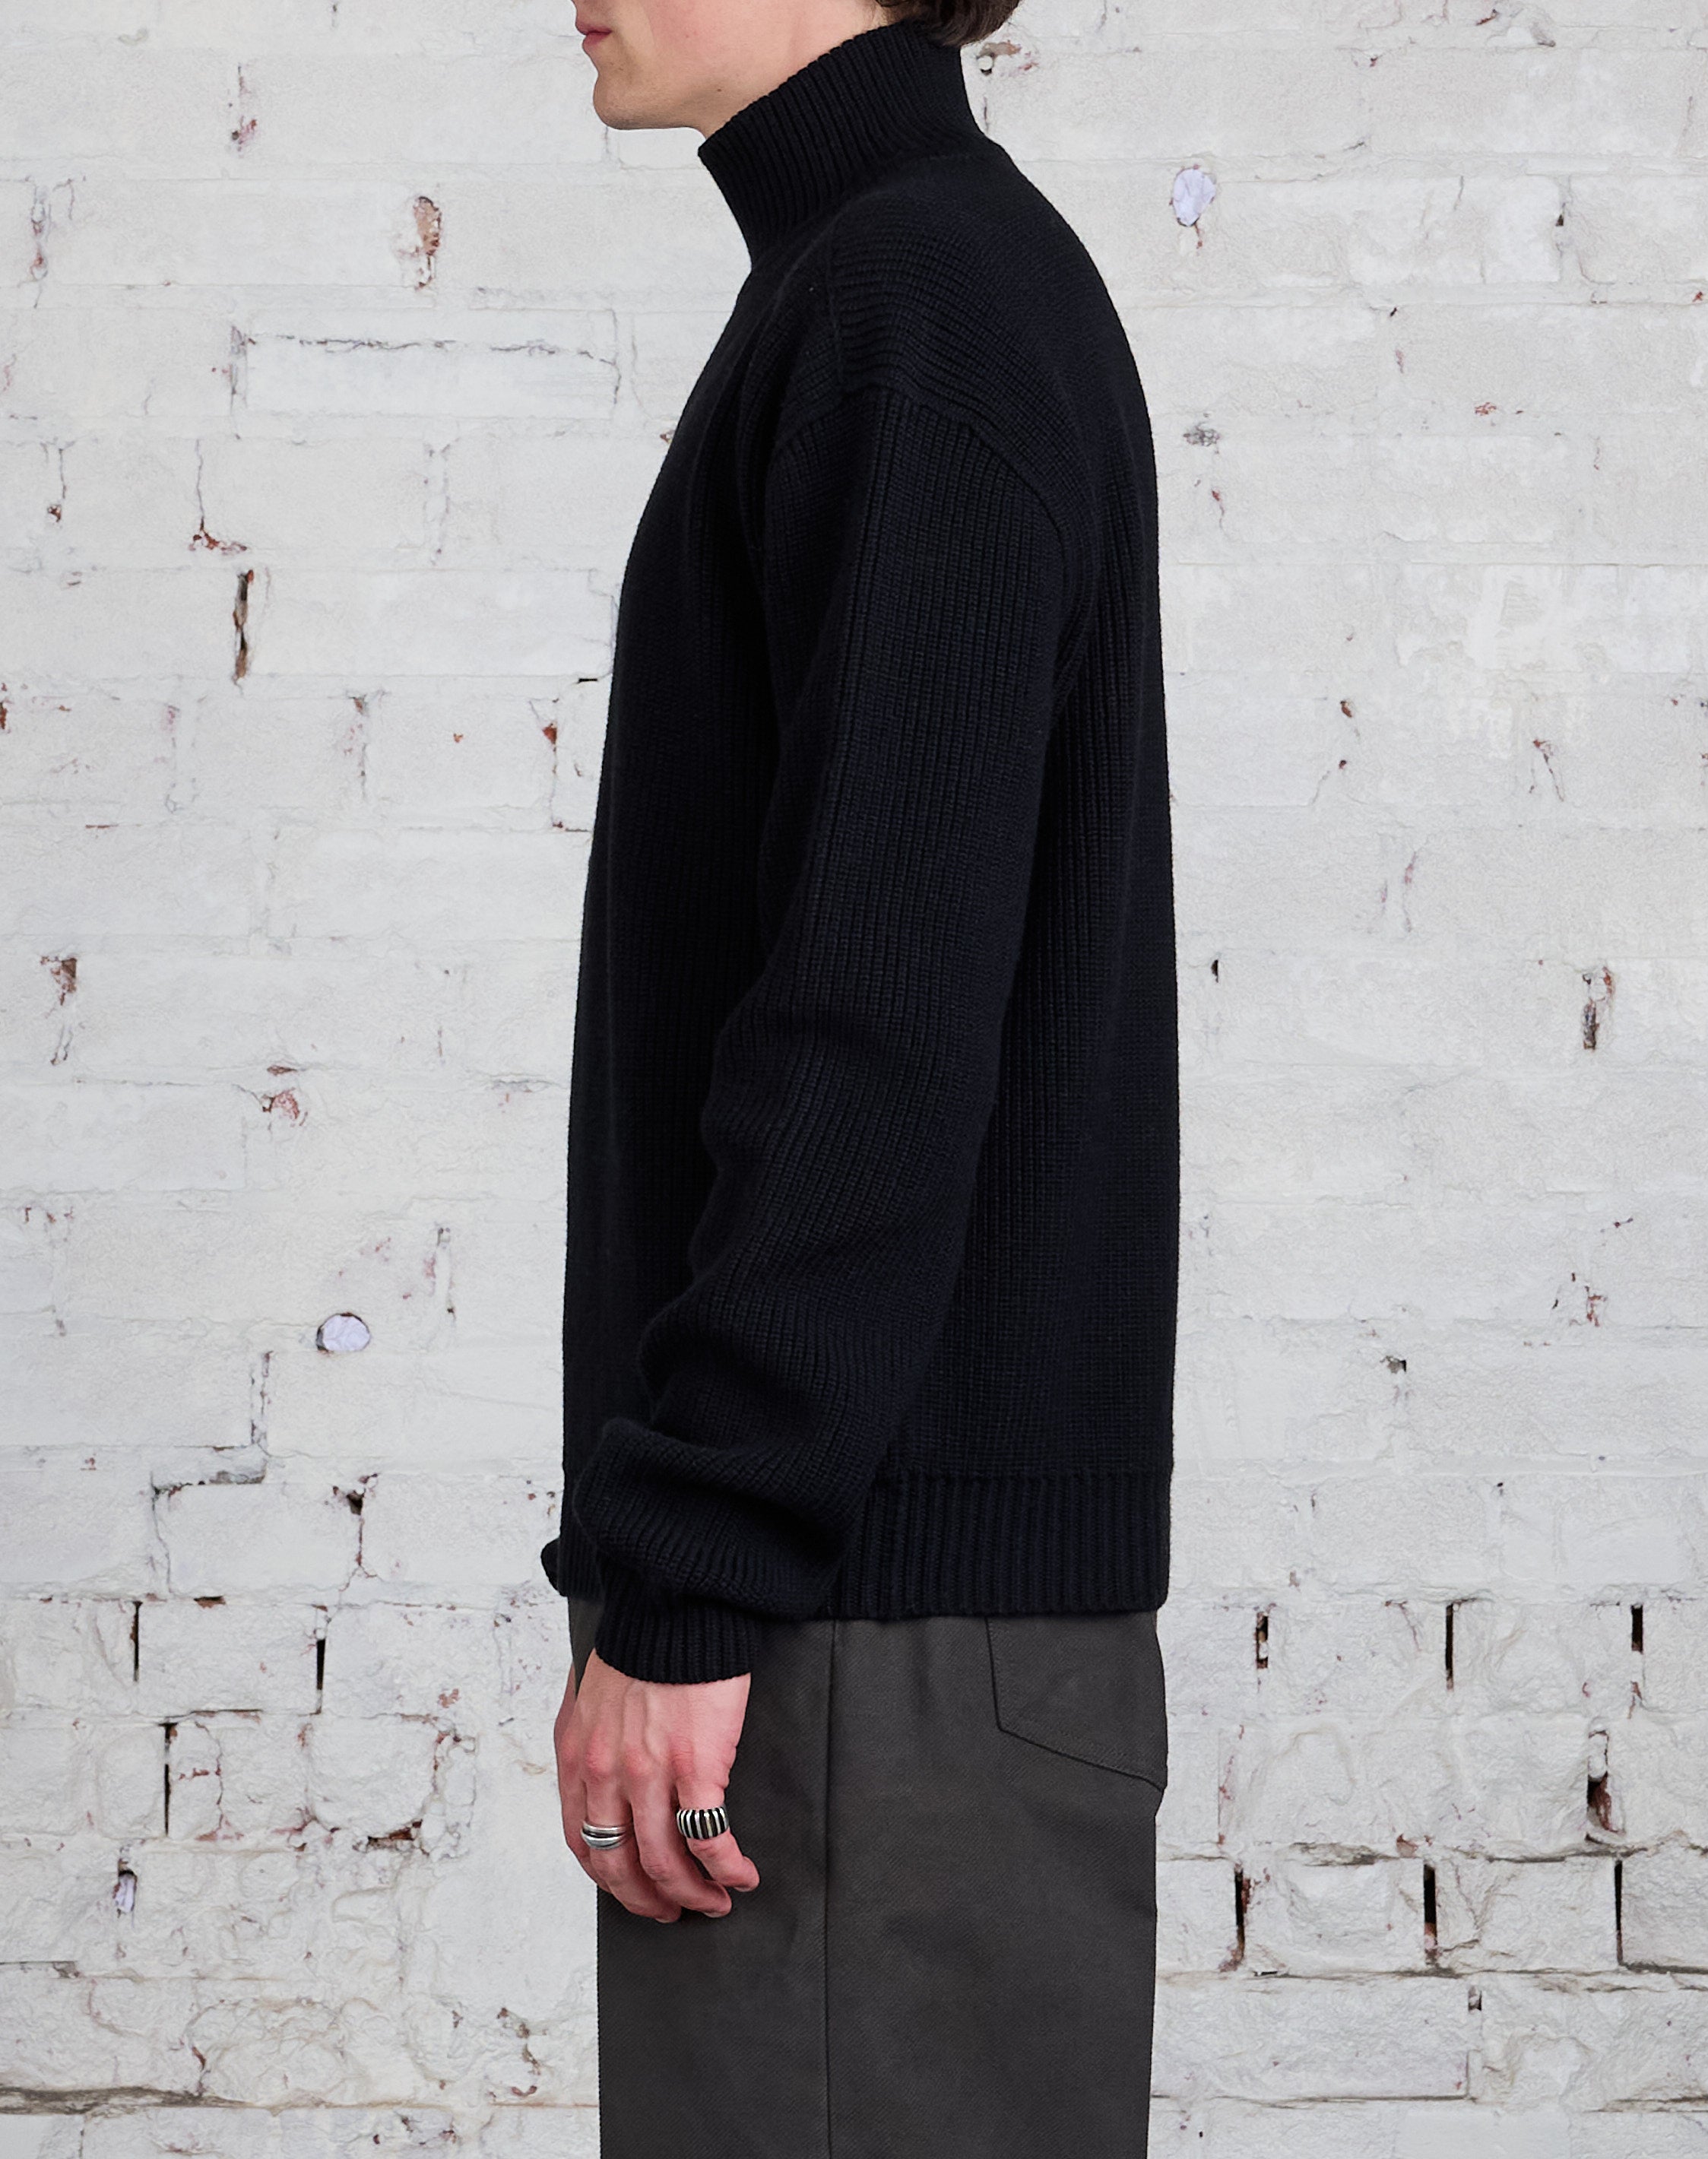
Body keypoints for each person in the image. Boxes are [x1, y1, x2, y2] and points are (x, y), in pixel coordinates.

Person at [540, 0, 1178, 2148]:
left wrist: (696, 1563)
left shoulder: (917, 301)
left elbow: (876, 1014)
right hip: (874, 1624)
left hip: (863, 1647)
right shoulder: (889, 283)